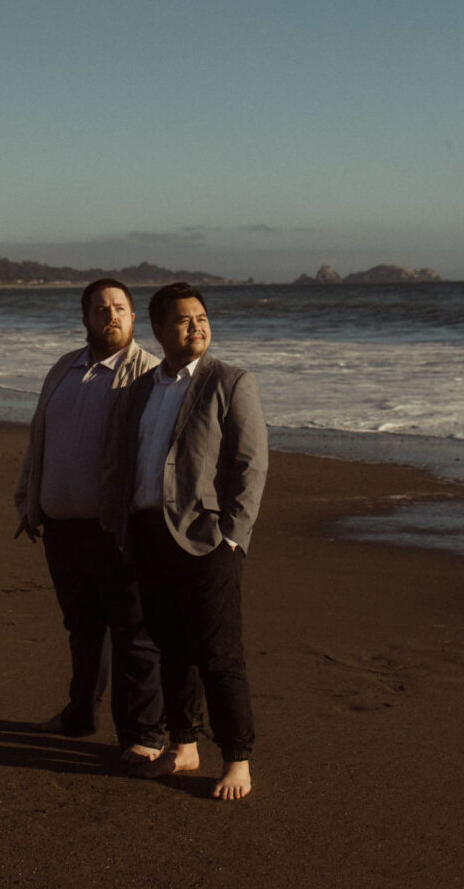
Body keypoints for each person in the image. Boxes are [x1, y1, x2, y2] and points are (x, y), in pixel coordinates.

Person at [116, 282, 268, 799]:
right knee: (170, 648)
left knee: (219, 653)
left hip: (207, 540)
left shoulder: (230, 381)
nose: (197, 326)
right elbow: (127, 459)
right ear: (158, 330)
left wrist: (234, 537)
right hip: (148, 534)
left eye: (201, 317)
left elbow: (251, 465)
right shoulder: (140, 389)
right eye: (184, 320)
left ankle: (238, 759)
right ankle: (183, 745)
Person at [14, 278, 164, 762]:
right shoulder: (63, 368)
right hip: (61, 527)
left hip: (116, 531)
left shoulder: (149, 375)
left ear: (134, 317)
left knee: (134, 636)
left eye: (120, 308)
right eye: (101, 309)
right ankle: (79, 715)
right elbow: (40, 439)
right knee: (82, 630)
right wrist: (28, 501)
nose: (111, 316)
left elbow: (157, 455)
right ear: (85, 319)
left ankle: (143, 735)